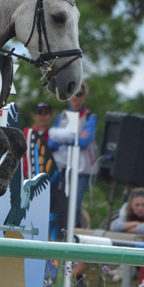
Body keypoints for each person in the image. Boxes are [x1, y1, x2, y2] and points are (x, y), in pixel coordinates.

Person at [48, 83, 98, 225]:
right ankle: (60, 232)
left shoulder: (89, 117)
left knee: (74, 202)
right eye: (73, 93)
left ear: (84, 96)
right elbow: (51, 142)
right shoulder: (62, 115)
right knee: (61, 202)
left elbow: (84, 142)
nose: (75, 97)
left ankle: (75, 231)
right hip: (63, 165)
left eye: (79, 94)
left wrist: (62, 136)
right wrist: (75, 135)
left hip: (82, 168)